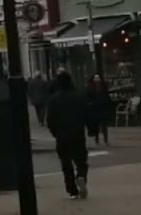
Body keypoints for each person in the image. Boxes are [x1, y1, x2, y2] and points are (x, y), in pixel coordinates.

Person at [45, 71, 90, 199]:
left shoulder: (53, 100)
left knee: (66, 164)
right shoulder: (78, 97)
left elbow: (50, 120)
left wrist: (55, 132)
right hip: (77, 133)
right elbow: (86, 114)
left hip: (62, 135)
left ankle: (72, 190)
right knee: (81, 160)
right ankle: (81, 176)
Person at [85, 75, 113, 145]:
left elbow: (107, 96)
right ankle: (97, 139)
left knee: (104, 125)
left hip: (103, 108)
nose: (97, 79)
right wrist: (90, 104)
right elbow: (87, 97)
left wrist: (107, 103)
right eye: (96, 78)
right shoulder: (90, 87)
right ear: (93, 79)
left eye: (98, 78)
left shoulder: (103, 87)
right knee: (96, 125)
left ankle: (106, 140)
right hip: (95, 109)